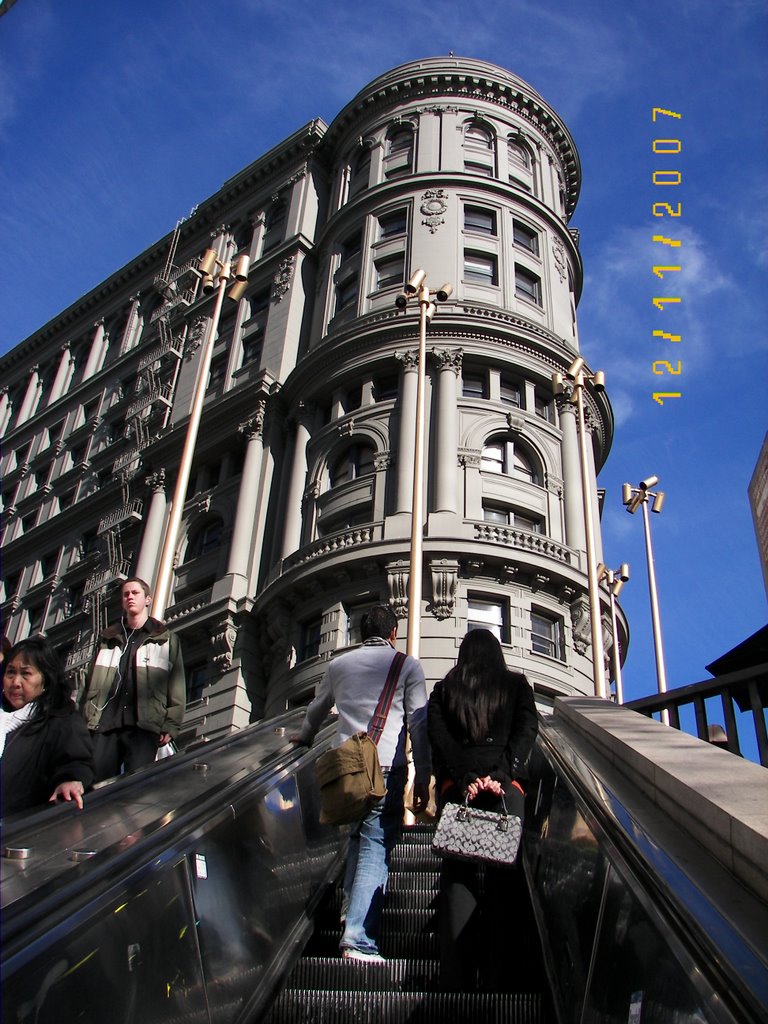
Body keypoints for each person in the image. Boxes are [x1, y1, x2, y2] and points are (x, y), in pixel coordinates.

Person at [291, 604, 431, 963]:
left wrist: (305, 738)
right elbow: (419, 722)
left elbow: (316, 710)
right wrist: (424, 773)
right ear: (393, 633)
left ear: (358, 634)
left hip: (346, 771)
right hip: (386, 767)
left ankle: (348, 912)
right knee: (374, 844)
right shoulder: (407, 665)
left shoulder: (338, 665)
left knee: (357, 839)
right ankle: (357, 937)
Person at [428, 628, 538, 990]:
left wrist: (466, 778)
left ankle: (456, 979)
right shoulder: (516, 684)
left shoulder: (445, 689)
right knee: (505, 882)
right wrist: (503, 776)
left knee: (458, 879)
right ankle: (500, 977)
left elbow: (439, 736)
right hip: (505, 794)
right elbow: (527, 729)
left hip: (461, 794)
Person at [80, 577, 186, 782]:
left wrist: (171, 724)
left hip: (144, 726)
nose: (130, 597)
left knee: (136, 786)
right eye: (126, 594)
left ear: (147, 599)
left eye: (135, 593)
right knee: (94, 786)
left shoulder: (166, 638)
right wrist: (80, 721)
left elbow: (177, 684)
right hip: (103, 725)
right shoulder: (107, 639)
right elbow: (88, 680)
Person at [1, 636, 95, 815]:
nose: (15, 683)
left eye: (26, 674)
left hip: (21, 831)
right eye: (10, 673)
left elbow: (75, 761)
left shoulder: (61, 720)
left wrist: (70, 780)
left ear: (45, 680)